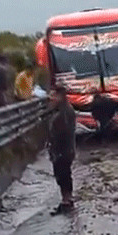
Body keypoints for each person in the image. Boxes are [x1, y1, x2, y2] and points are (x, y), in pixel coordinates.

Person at [48, 85, 76, 214]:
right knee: (64, 174)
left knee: (62, 174)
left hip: (63, 150)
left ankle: (66, 199)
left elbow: (62, 134)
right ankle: (67, 198)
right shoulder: (62, 110)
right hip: (64, 149)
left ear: (60, 96)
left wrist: (56, 151)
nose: (51, 98)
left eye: (54, 95)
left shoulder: (64, 113)